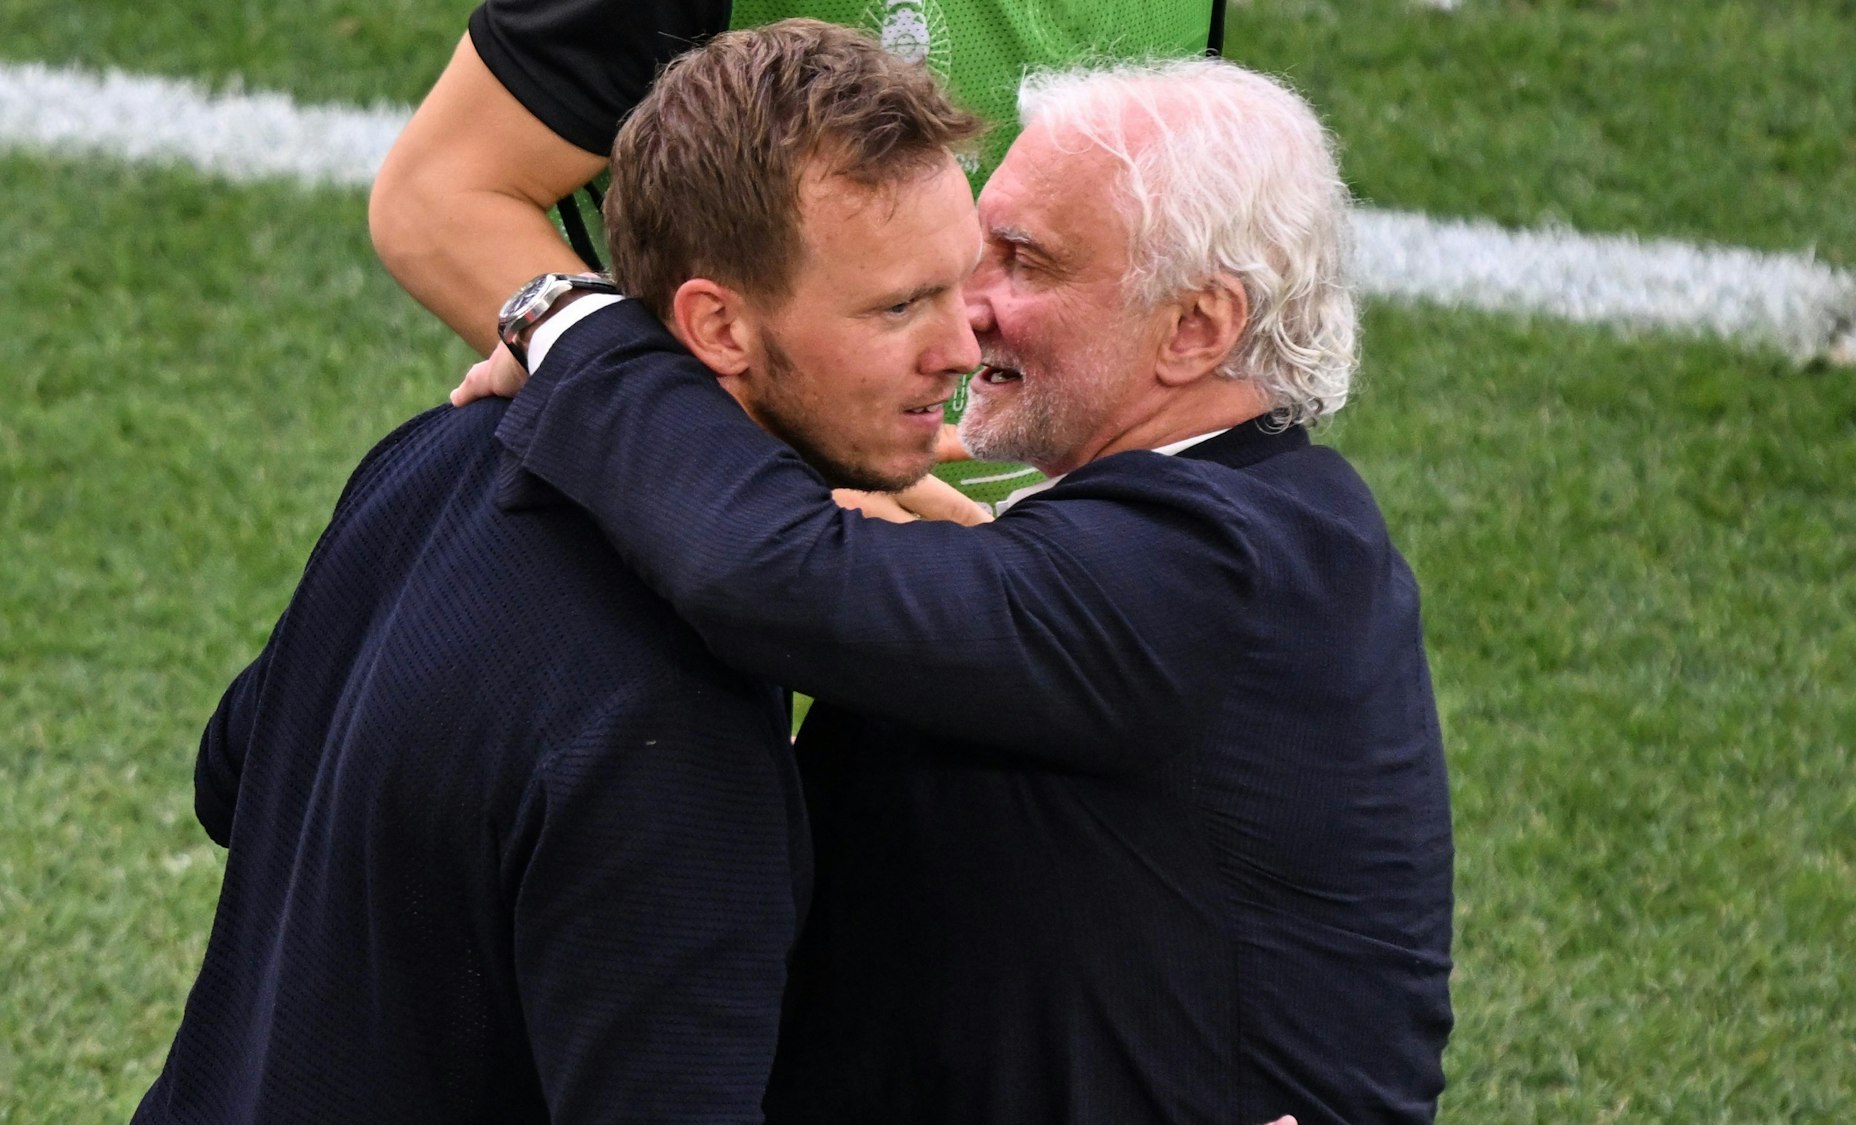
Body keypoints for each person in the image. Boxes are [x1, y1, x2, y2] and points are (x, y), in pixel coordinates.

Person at [472, 55, 1455, 1124]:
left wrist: (577, 328)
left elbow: (767, 572)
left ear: (1195, 328)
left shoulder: (1218, 563)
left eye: (1023, 262)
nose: (966, 313)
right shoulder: (1234, 528)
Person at [132, 22, 985, 1123]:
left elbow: (232, 775)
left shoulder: (438, 451)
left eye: (962, 285)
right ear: (718, 325)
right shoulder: (679, 725)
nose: (962, 350)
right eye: (899, 307)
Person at [371, 0, 1226, 516]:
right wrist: (732, 461)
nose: (965, 347)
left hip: (1065, 553)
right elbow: (441, 197)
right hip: (736, 578)